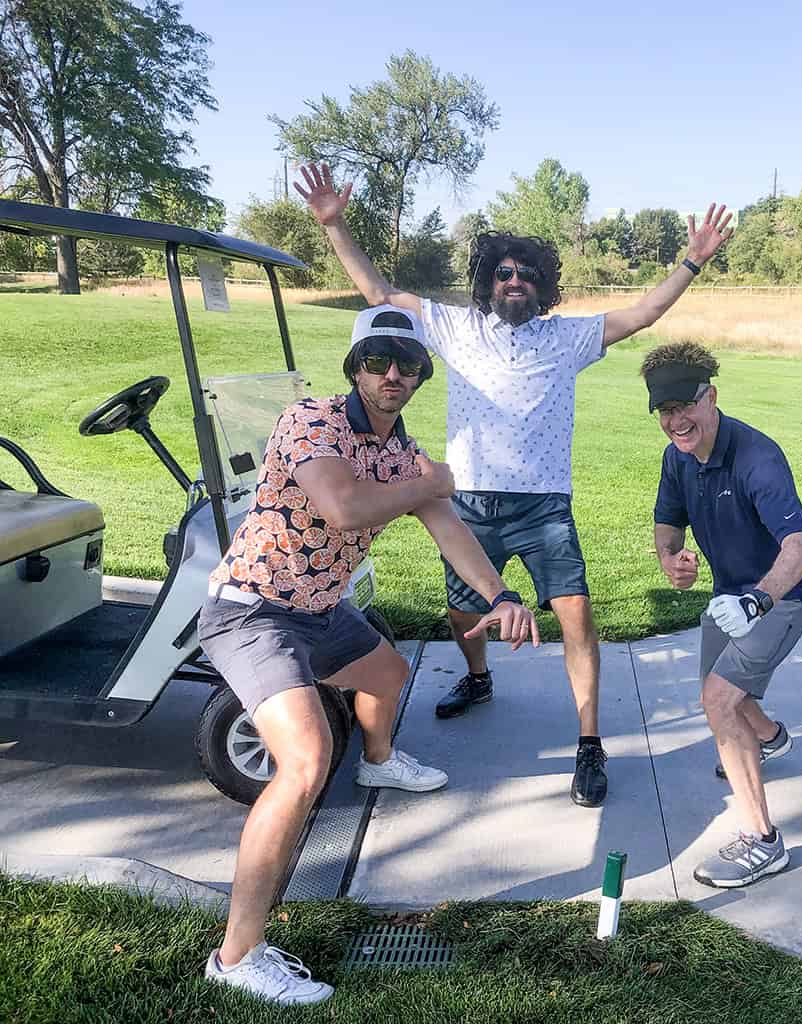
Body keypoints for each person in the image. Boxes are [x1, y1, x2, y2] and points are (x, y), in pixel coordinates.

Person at [296, 162, 732, 808]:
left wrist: (692, 262)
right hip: (467, 503)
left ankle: (589, 743)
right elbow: (380, 293)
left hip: (544, 507)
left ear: (542, 285)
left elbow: (643, 313)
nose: (515, 280)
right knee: (463, 614)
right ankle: (478, 679)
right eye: (503, 272)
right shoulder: (456, 327)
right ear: (488, 281)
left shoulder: (567, 337)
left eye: (526, 273)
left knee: (576, 616)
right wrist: (335, 224)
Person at [200, 305, 538, 1005]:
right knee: (305, 765)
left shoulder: (403, 454)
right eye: (378, 361)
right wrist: (432, 483)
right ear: (355, 368)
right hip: (253, 610)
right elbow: (344, 508)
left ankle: (380, 762)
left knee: (388, 673)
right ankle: (236, 957)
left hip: (322, 608)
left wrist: (502, 594)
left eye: (407, 364)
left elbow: (448, 529)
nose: (392, 375)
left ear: (419, 375)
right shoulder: (311, 421)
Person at [646, 341, 802, 888]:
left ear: (711, 397)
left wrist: (757, 601)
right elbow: (667, 521)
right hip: (733, 593)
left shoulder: (757, 458)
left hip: (788, 591)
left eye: (685, 405)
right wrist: (670, 559)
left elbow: (799, 547)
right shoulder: (677, 457)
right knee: (717, 687)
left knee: (719, 699)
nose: (676, 421)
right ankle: (768, 738)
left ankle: (762, 842)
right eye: (665, 411)